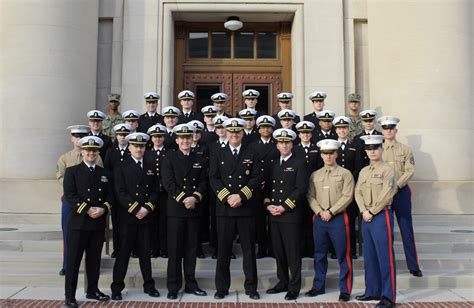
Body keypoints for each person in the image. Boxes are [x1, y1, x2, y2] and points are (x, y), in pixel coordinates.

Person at [209, 118, 261, 300]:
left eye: (237, 132)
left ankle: (251, 287)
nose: (234, 135)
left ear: (242, 133)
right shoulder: (218, 152)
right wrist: (227, 197)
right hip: (224, 209)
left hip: (245, 208)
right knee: (223, 251)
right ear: (226, 133)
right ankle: (221, 288)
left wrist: (241, 195)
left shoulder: (251, 152)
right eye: (231, 132)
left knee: (248, 251)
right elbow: (213, 178)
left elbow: (256, 177)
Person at [63, 136, 112, 307]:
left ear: (98, 152)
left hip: (97, 224)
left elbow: (110, 196)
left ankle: (92, 290)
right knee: (74, 262)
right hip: (78, 224)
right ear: (82, 151)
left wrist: (103, 209)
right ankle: (70, 296)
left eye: (94, 150)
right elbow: (70, 195)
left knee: (94, 260)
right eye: (88, 150)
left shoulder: (105, 174)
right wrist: (87, 209)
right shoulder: (72, 172)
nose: (91, 153)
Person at [110, 132, 160, 300]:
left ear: (145, 147)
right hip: (128, 218)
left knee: (145, 254)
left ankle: (149, 285)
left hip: (145, 217)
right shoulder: (121, 166)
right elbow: (119, 191)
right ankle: (117, 287)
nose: (139, 149)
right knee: (123, 254)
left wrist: (146, 208)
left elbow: (155, 190)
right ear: (129, 147)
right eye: (136, 146)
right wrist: (135, 208)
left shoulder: (151, 165)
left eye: (142, 146)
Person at [161, 123, 208, 299]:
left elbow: (204, 182)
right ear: (177, 140)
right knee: (175, 250)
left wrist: (194, 197)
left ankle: (190, 283)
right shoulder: (169, 158)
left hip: (194, 209)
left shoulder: (200, 158)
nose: (185, 141)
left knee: (191, 249)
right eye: (182, 138)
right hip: (176, 210)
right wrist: (183, 198)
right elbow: (168, 183)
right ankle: (173, 286)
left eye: (188, 137)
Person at [306, 139, 354, 302]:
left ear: (336, 154)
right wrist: (320, 211)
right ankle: (318, 286)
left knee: (343, 254)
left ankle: (345, 289)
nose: (328, 156)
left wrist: (331, 212)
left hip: (338, 218)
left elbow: (348, 196)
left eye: (331, 153)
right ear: (321, 155)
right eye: (325, 153)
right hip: (320, 219)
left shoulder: (345, 173)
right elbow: (310, 196)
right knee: (319, 254)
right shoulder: (315, 175)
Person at [264, 128, 308, 301]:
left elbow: (301, 189)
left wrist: (284, 207)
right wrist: (268, 206)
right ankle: (282, 281)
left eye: (287, 142)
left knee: (292, 252)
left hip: (290, 215)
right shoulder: (274, 164)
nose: (284, 145)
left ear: (292, 144)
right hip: (274, 215)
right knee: (279, 251)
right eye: (281, 142)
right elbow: (266, 188)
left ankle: (294, 286)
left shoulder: (299, 163)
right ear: (277, 145)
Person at [354, 135, 397, 308]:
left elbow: (388, 193)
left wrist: (372, 210)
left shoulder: (388, 170)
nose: (372, 151)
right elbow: (358, 191)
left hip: (380, 216)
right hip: (366, 216)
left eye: (375, 148)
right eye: (369, 149)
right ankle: (372, 290)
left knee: (385, 257)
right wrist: (364, 210)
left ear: (381, 149)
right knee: (370, 257)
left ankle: (388, 296)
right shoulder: (364, 171)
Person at [56, 125, 103, 276]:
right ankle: (67, 264)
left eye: (82, 136)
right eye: (76, 136)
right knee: (69, 233)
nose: (79, 139)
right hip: (71, 201)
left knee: (91, 238)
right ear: (72, 138)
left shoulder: (96, 156)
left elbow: (100, 178)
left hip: (91, 204)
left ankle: (91, 267)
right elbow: (61, 178)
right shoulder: (64, 158)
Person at [378, 116, 422, 277]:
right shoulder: (378, 148)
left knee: (406, 229)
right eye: (386, 128)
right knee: (385, 230)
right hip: (383, 194)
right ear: (382, 131)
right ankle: (388, 265)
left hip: (401, 192)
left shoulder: (405, 149)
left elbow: (410, 170)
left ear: (396, 131)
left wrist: (397, 185)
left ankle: (413, 265)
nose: (389, 131)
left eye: (391, 128)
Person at [333, 116, 364, 259]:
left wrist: (349, 181)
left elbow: (359, 168)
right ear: (336, 130)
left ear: (348, 129)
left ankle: (351, 251)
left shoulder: (354, 146)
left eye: (344, 128)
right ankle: (335, 251)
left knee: (350, 222)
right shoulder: (332, 147)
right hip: (335, 189)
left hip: (349, 189)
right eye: (339, 128)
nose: (342, 131)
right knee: (335, 222)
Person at [251, 115, 279, 258]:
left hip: (274, 184)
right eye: (263, 127)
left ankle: (273, 249)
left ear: (272, 129)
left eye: (268, 127)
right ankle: (261, 249)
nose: (265, 129)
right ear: (258, 129)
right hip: (259, 186)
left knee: (273, 221)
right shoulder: (253, 146)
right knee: (259, 220)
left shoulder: (277, 145)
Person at [103, 123, 133, 258]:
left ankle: (131, 248)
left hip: (130, 193)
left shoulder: (132, 150)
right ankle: (117, 248)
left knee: (130, 223)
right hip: (115, 193)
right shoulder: (110, 152)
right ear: (116, 136)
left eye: (125, 135)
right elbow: (107, 171)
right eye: (120, 135)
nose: (123, 137)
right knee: (116, 223)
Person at [144, 124, 169, 258]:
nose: (158, 139)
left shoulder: (169, 153)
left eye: (160, 136)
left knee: (164, 221)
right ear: (151, 138)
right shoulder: (147, 154)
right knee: (152, 221)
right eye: (155, 137)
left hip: (165, 193)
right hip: (151, 194)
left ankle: (164, 249)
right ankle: (154, 249)